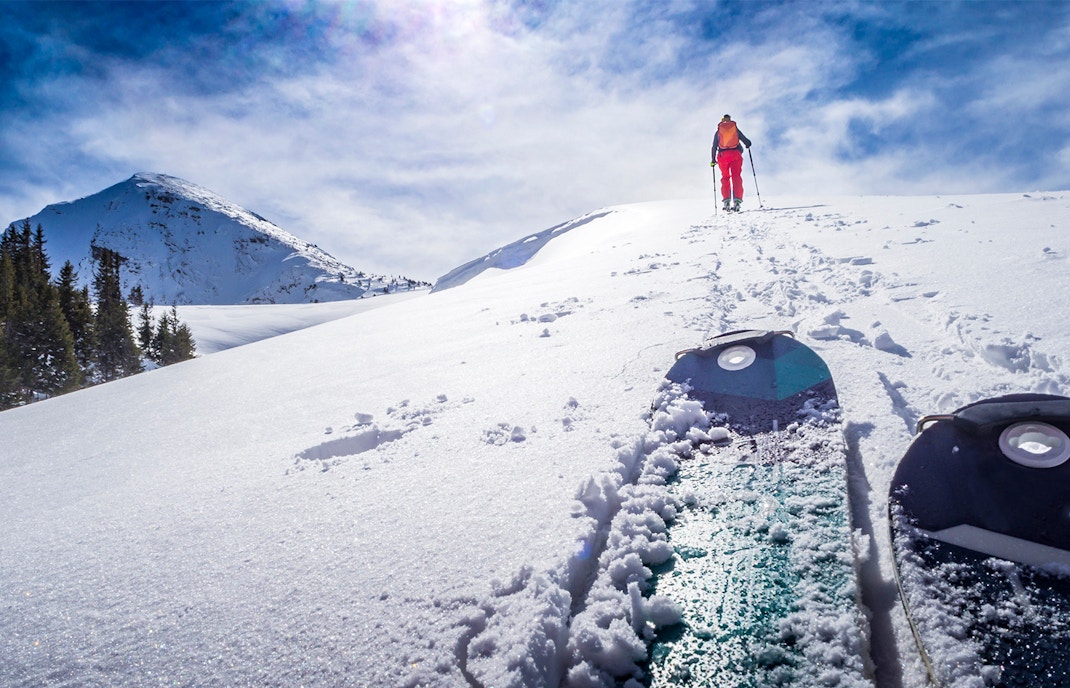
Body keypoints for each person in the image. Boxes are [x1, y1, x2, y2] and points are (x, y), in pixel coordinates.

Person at [711, 114, 752, 212]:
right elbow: (746, 141)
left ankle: (726, 201)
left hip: (723, 157)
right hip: (736, 155)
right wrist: (747, 144)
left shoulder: (718, 132)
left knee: (725, 178)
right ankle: (737, 200)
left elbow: (714, 146)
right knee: (736, 177)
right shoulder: (735, 130)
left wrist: (713, 160)